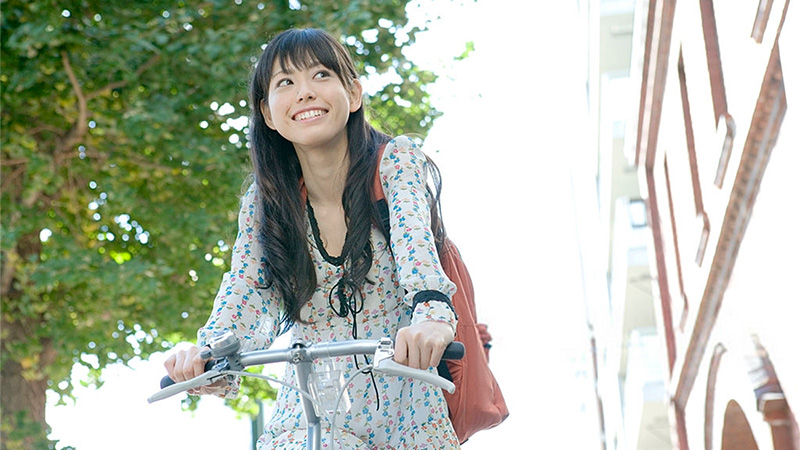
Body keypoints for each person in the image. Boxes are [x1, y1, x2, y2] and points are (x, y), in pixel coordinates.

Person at [164, 28, 461, 448]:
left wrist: (431, 319)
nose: (304, 92)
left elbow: (418, 251)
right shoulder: (265, 202)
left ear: (353, 94)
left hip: (407, 405)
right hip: (311, 411)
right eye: (285, 82)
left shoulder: (395, 161)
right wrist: (208, 355)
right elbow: (249, 289)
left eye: (321, 75)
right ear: (268, 114)